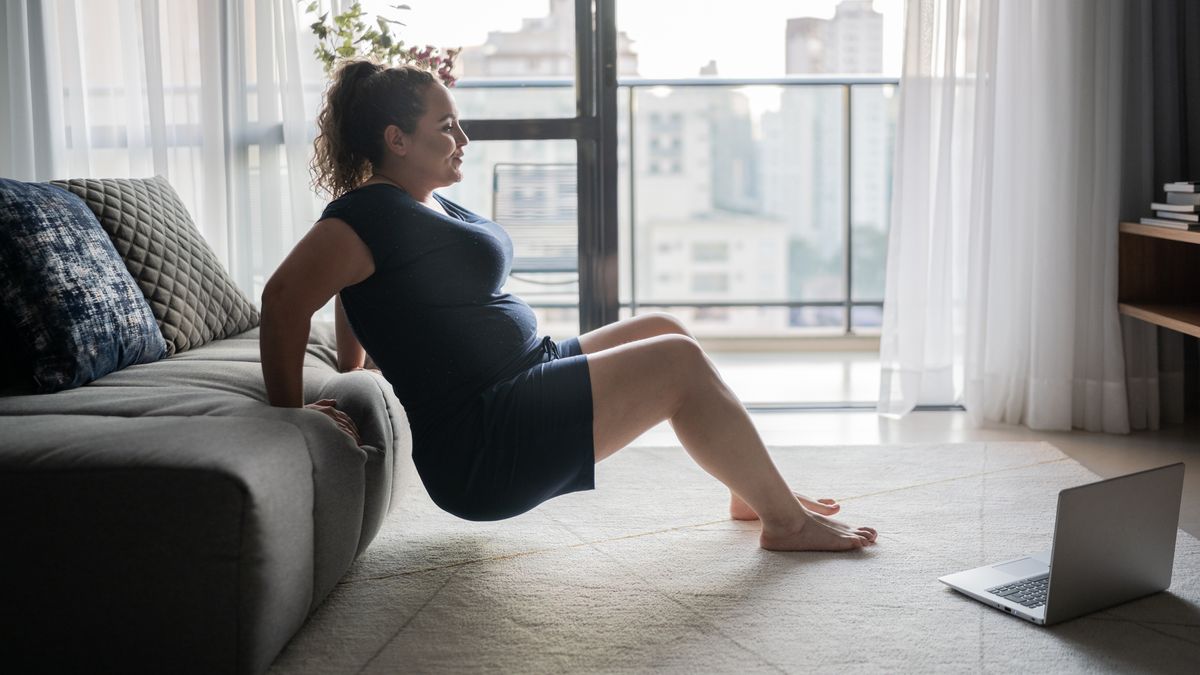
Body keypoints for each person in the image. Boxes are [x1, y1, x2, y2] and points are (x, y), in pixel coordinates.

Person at [260, 59, 877, 552]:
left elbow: (356, 290)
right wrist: (291, 414)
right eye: (446, 126)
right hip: (485, 436)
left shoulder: (414, 203)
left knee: (664, 327)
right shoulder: (361, 214)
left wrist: (353, 365)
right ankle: (785, 524)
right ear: (396, 139)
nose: (463, 138)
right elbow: (285, 299)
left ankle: (752, 493)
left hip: (523, 373)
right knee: (676, 361)